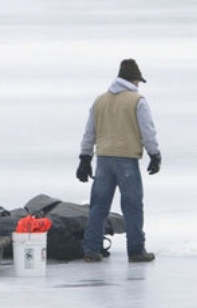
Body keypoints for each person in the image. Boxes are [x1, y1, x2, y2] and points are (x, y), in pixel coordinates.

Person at [76, 59, 161, 262]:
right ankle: (136, 250)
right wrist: (154, 155)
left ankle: (91, 249)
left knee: (98, 206)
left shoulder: (100, 101)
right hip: (126, 160)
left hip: (103, 159)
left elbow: (89, 132)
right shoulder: (137, 101)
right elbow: (147, 131)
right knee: (132, 206)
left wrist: (85, 158)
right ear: (134, 79)